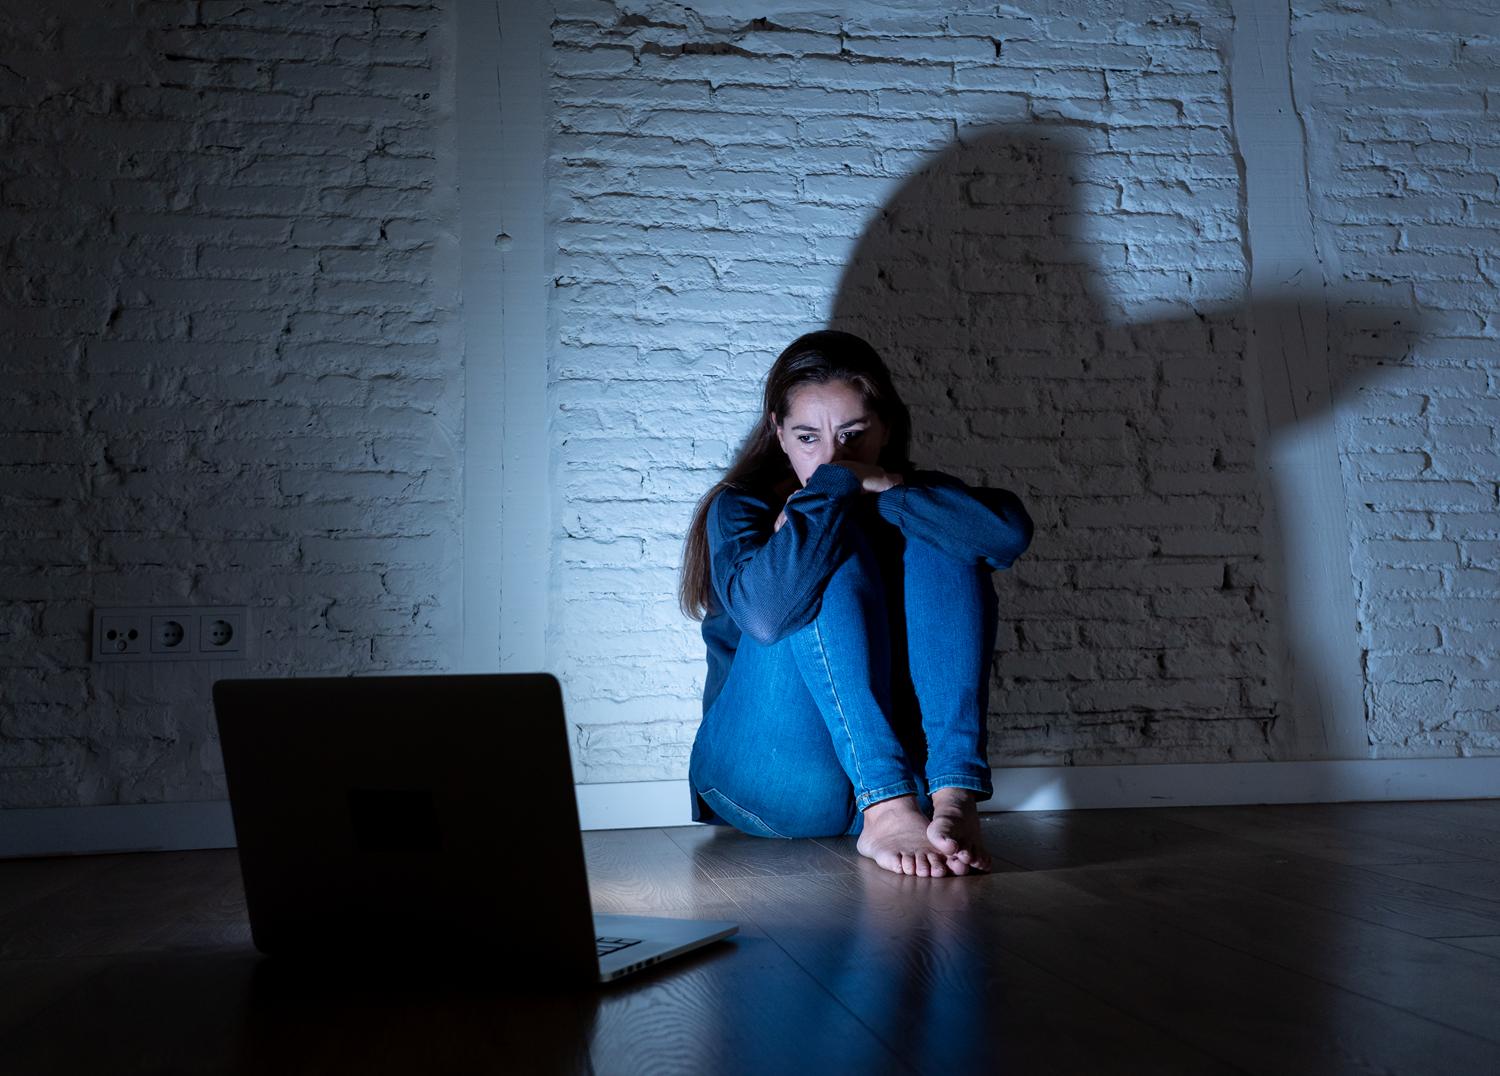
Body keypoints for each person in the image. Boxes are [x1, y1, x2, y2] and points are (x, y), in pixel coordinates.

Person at [677, 330, 1034, 878]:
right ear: (778, 433)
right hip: (773, 777)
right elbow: (767, 617)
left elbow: (1005, 536)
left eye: (852, 435)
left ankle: (956, 795)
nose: (830, 457)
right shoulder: (741, 505)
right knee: (826, 542)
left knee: (943, 529)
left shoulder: (912, 494)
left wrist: (889, 489)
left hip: (919, 794)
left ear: (885, 426)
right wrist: (830, 494)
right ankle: (885, 806)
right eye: (806, 437)